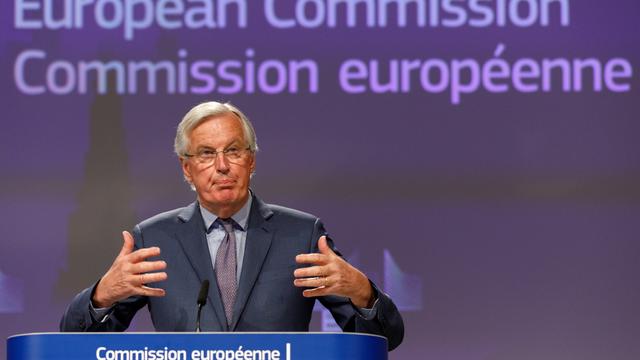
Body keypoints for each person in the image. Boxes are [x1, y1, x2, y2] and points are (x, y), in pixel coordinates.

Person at [60, 101, 404, 350]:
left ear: (251, 160)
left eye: (234, 151)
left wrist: (363, 291)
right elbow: (74, 343)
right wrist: (102, 295)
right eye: (206, 154)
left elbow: (385, 340)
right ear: (186, 169)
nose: (222, 166)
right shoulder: (154, 239)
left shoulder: (301, 235)